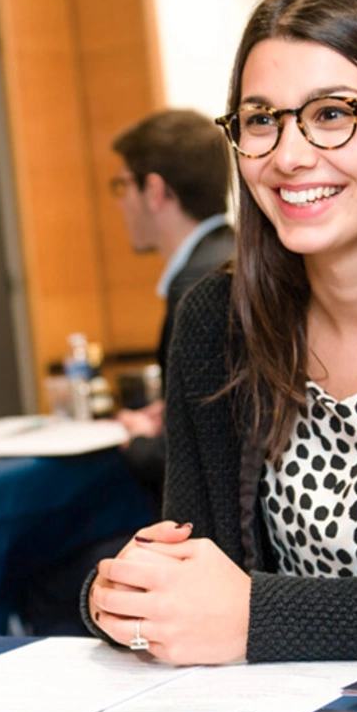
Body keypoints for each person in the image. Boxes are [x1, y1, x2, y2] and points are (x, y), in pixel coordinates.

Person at [84, 0, 357, 665]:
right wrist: (124, 597)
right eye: (262, 120)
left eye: (332, 113)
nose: (290, 155)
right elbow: (191, 561)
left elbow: (238, 610)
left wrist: (260, 615)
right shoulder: (217, 322)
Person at [109, 110, 233, 496]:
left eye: (123, 185)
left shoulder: (199, 286)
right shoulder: (232, 255)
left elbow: (199, 457)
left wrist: (139, 442)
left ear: (156, 190)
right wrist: (173, 413)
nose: (120, 203)